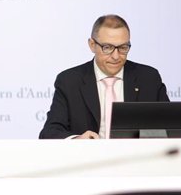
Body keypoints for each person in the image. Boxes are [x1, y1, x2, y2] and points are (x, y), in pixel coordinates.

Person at [39, 14, 169, 139]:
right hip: (89, 158)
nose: (116, 56)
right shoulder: (69, 81)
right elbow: (50, 132)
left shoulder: (148, 78)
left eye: (123, 47)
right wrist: (77, 140)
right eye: (107, 47)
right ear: (92, 45)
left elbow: (170, 129)